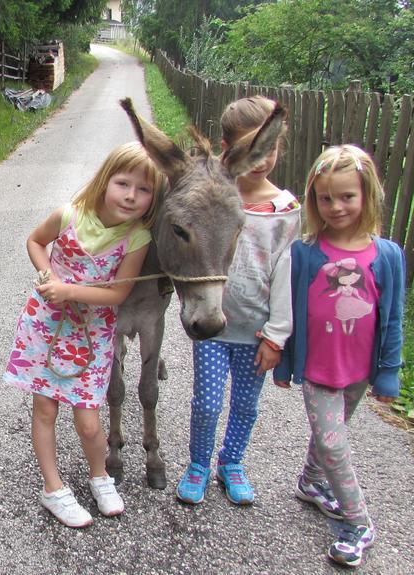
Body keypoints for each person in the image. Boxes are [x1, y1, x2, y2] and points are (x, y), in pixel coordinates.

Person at [4, 142, 166, 528]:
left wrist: (70, 291)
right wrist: (49, 277)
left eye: (144, 190)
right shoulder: (69, 215)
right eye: (123, 183)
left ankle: (100, 476)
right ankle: (53, 489)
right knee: (45, 409)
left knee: (89, 421)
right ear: (104, 180)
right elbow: (35, 242)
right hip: (47, 325)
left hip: (91, 336)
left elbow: (118, 294)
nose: (130, 196)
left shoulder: (137, 238)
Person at [275, 144, 405, 568]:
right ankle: (357, 522)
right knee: (334, 443)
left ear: (367, 194)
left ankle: (311, 483)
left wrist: (388, 372)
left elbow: (394, 317)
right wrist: (285, 361)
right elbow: (293, 311)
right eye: (325, 197)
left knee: (330, 439)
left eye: (347, 196)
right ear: (313, 200)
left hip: (360, 371)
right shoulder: (305, 253)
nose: (335, 206)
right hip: (319, 369)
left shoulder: (387, 255)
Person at [175, 96, 301, 506]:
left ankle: (232, 463)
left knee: (246, 405)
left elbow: (286, 275)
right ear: (226, 147)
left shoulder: (286, 210)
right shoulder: (211, 197)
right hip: (214, 323)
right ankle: (198, 464)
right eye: (249, 148)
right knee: (208, 402)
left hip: (255, 330)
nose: (260, 160)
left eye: (269, 149)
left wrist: (277, 335)